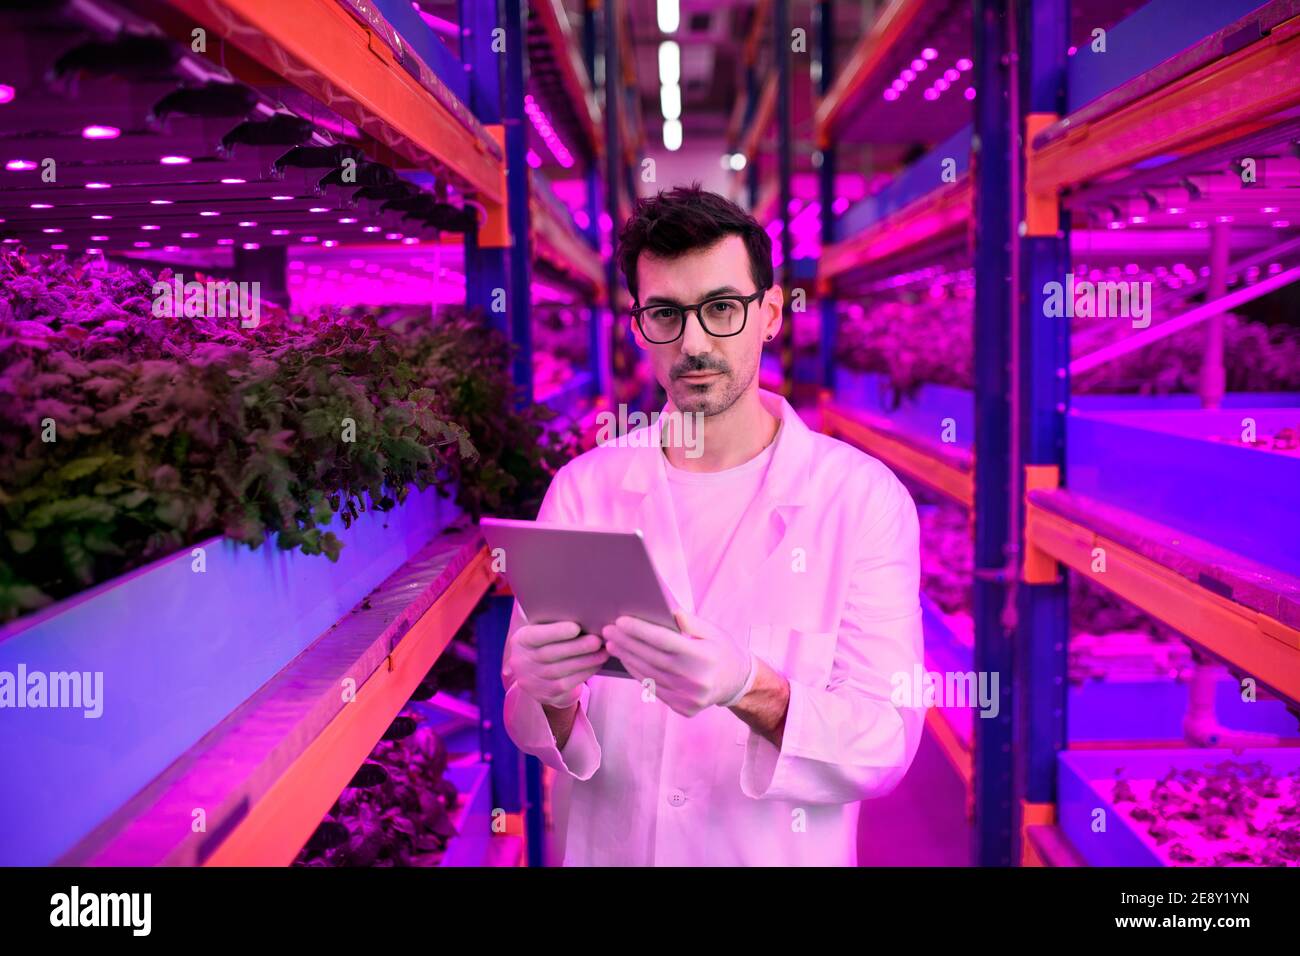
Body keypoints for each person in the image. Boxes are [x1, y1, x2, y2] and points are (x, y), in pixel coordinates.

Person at [502, 184, 925, 866]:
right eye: (666, 314)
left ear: (771, 314)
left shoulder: (862, 501)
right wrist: (545, 696)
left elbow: (886, 743)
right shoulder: (585, 490)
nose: (694, 343)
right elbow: (533, 724)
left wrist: (747, 687)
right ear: (639, 325)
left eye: (722, 309)